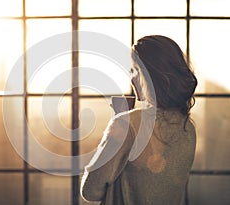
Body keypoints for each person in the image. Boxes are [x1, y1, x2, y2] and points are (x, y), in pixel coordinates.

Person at [80, 35, 198, 205]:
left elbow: (90, 190)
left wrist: (118, 124)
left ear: (151, 76)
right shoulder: (187, 128)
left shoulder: (129, 124)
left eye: (135, 69)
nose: (130, 76)